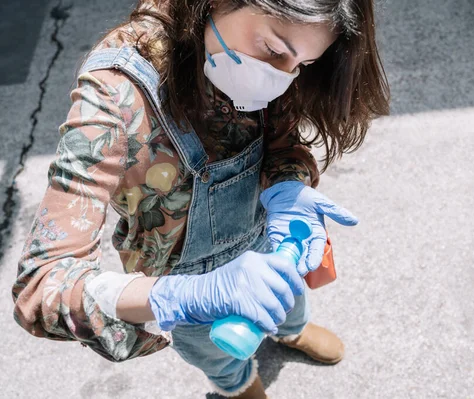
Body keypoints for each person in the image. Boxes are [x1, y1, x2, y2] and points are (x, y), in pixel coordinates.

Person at [12, 0, 389, 397]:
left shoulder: (256, 58)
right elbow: (43, 284)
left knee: (288, 300)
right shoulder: (114, 95)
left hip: (267, 242)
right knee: (221, 355)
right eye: (275, 51)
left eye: (302, 65)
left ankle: (291, 332)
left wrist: (289, 188)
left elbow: (281, 141)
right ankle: (238, 384)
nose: (280, 78)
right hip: (186, 284)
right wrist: (180, 297)